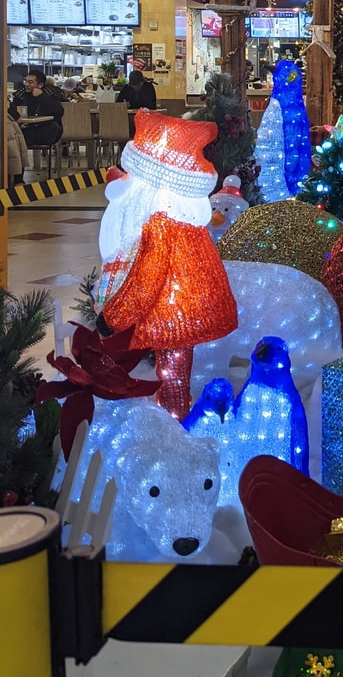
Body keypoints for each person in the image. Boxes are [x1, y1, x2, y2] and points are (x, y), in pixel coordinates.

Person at [95, 111, 238, 419]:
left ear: (150, 180)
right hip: (182, 306)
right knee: (175, 372)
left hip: (173, 311)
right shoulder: (180, 217)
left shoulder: (159, 223)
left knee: (172, 377)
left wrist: (113, 317)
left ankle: (175, 431)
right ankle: (175, 417)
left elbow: (146, 280)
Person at [8, 68, 63, 148]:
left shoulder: (50, 94)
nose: (27, 84)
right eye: (26, 81)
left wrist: (42, 96)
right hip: (27, 128)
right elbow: (16, 113)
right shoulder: (21, 95)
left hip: (45, 127)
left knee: (53, 127)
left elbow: (59, 112)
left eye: (30, 82)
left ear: (40, 85)